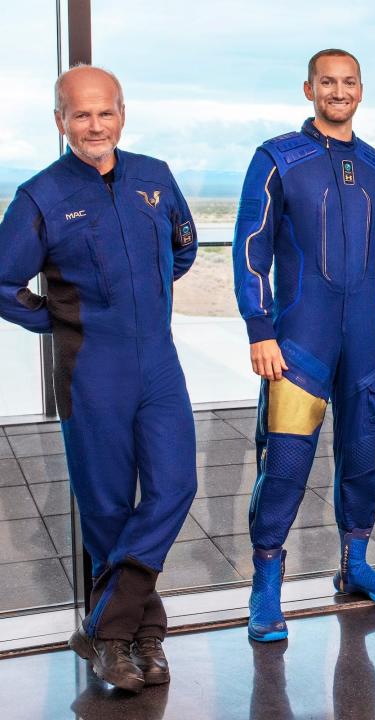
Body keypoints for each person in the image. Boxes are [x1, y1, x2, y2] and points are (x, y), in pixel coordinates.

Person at [0, 65, 198, 692]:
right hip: (92, 368)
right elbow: (4, 283)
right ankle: (140, 635)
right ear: (60, 121)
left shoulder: (155, 177)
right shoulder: (39, 196)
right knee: (108, 506)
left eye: (104, 112)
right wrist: (59, 321)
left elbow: (184, 247)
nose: (94, 125)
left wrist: (152, 301)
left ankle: (103, 629)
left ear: (122, 113)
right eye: (79, 114)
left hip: (159, 362)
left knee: (176, 485)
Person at [233, 49, 375, 643]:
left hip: (363, 338)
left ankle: (354, 566)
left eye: (349, 82)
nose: (339, 91)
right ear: (309, 88)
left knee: (362, 458)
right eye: (328, 82)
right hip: (298, 340)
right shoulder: (278, 157)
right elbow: (251, 246)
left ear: (361, 90)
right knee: (284, 464)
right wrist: (260, 329)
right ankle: (265, 585)